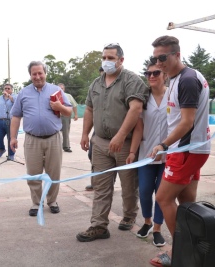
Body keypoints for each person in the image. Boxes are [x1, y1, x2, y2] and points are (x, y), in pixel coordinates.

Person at [148, 35, 211, 267]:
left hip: (185, 150)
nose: (158, 62)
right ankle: (194, 250)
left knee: (164, 198)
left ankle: (183, 252)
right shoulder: (176, 78)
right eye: (155, 58)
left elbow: (186, 122)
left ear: (177, 54)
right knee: (186, 203)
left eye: (163, 57)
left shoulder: (186, 80)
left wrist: (163, 145)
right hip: (188, 150)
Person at [78, 43, 149, 242]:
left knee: (128, 186)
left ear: (121, 60)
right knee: (101, 186)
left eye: (111, 58)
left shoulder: (131, 81)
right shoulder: (96, 83)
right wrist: (85, 134)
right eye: (104, 58)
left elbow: (136, 109)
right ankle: (99, 225)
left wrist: (120, 135)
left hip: (124, 144)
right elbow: (90, 109)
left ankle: (129, 216)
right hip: (100, 143)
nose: (107, 62)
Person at [10, 61, 72, 217]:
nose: (37, 76)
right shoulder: (23, 93)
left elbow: (69, 111)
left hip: (53, 138)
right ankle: (36, 203)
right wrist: (13, 137)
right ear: (30, 75)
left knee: (54, 173)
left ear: (45, 73)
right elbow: (16, 116)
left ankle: (52, 201)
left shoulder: (56, 90)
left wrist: (60, 107)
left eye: (40, 73)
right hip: (32, 139)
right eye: (34, 74)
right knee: (33, 174)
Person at [126, 62, 167, 247]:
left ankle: (157, 229)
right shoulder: (144, 99)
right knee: (144, 191)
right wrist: (133, 152)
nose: (151, 76)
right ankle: (147, 222)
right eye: (148, 73)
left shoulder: (173, 96)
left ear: (164, 74)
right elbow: (139, 128)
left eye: (155, 73)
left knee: (161, 194)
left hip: (168, 155)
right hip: (146, 155)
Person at [85, 67, 104, 191]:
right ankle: (95, 182)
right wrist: (84, 134)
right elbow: (89, 109)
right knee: (92, 155)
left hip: (117, 132)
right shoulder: (95, 87)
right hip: (98, 131)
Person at [0, 83, 17, 160]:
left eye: (8, 88)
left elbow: (17, 103)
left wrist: (9, 96)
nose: (7, 90)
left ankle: (11, 154)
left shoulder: (15, 97)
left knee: (11, 138)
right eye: (5, 88)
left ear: (12, 90)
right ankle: (2, 149)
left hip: (11, 121)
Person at [58, 83, 78, 153]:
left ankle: (66, 146)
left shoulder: (68, 96)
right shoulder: (54, 96)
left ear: (64, 89)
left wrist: (75, 114)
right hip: (56, 116)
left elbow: (74, 105)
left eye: (62, 88)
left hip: (65, 116)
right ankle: (56, 147)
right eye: (59, 88)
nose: (61, 90)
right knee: (55, 132)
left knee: (65, 132)